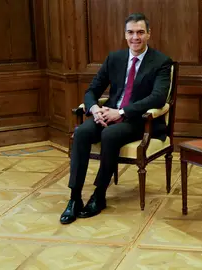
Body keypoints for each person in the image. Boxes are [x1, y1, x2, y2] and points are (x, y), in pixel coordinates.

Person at [60, 13, 173, 225]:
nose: (135, 37)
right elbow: (92, 90)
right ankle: (74, 198)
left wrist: (120, 113)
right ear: (125, 35)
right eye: (131, 32)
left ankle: (99, 194)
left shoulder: (161, 62)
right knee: (82, 133)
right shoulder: (115, 58)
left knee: (110, 135)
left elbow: (157, 97)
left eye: (140, 32)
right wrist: (94, 109)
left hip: (138, 120)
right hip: (107, 114)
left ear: (149, 34)